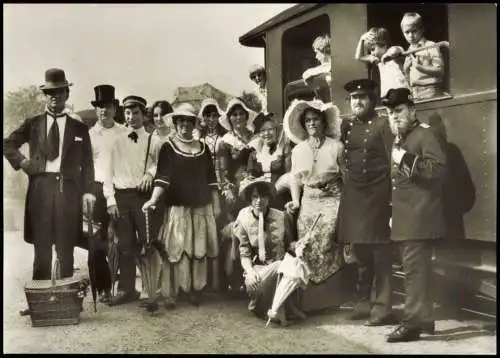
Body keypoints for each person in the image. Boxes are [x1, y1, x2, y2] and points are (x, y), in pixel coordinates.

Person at [3, 68, 96, 280]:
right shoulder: (33, 123)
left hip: (68, 192)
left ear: (67, 94)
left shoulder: (79, 128)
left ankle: (66, 299)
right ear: (45, 95)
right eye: (50, 93)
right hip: (41, 191)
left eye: (60, 92)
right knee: (42, 247)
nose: (55, 97)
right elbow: (7, 144)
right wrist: (23, 162)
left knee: (65, 247)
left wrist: (88, 192)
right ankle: (40, 299)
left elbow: (88, 164)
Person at [382, 88, 447, 342]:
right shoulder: (401, 137)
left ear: (412, 110)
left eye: (398, 111)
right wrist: (393, 211)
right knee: (418, 271)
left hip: (420, 217)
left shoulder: (425, 134)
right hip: (406, 216)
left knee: (414, 272)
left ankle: (411, 325)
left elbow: (438, 171)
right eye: (390, 112)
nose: (394, 116)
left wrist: (406, 159)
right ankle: (426, 319)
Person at [142, 105, 220, 309]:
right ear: (175, 124)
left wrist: (216, 203)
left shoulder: (203, 148)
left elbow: (211, 179)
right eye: (180, 121)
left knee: (199, 249)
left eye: (188, 120)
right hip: (178, 208)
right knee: (177, 248)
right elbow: (162, 177)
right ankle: (173, 291)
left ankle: (196, 288)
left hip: (201, 208)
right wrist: (153, 199)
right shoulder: (168, 147)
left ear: (194, 123)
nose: (185, 124)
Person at [337, 79, 396, 326]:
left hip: (376, 196)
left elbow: (393, 161)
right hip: (355, 196)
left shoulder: (383, 125)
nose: (357, 101)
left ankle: (382, 309)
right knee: (361, 256)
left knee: (381, 256)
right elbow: (344, 159)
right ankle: (362, 304)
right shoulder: (347, 126)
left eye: (362, 97)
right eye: (353, 98)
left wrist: (391, 199)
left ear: (372, 100)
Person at [283, 99, 349, 312]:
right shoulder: (298, 150)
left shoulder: (336, 146)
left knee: (327, 241)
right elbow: (294, 178)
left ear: (324, 122)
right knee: (307, 244)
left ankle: (331, 300)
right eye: (308, 120)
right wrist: (295, 200)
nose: (312, 123)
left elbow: (346, 177)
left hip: (332, 200)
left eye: (316, 119)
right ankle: (311, 302)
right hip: (308, 202)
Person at [103, 95, 157, 306]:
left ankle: (149, 289)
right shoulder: (116, 140)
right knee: (124, 244)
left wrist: (150, 174)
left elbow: (159, 163)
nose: (132, 117)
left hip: (143, 197)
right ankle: (126, 289)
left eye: (136, 113)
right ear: (123, 114)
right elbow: (107, 173)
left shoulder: (152, 139)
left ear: (143, 115)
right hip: (122, 197)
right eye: (127, 113)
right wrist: (110, 200)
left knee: (147, 242)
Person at [234, 176, 304, 325]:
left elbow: (289, 245)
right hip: (258, 273)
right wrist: (251, 272)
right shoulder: (243, 219)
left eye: (263, 196)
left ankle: (283, 309)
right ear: (249, 199)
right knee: (279, 267)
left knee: (289, 265)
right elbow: (244, 252)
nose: (259, 200)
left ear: (269, 197)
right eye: (255, 196)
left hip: (281, 271)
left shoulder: (280, 217)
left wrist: (298, 246)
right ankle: (265, 307)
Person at [88, 84, 126, 303]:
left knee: (123, 241)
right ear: (96, 109)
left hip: (120, 190)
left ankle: (123, 287)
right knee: (96, 242)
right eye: (100, 106)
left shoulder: (124, 132)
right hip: (96, 190)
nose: (104, 110)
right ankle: (101, 287)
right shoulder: (90, 134)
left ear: (114, 108)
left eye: (108, 106)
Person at [217, 97, 258, 295]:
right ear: (229, 118)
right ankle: (233, 280)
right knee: (236, 235)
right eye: (234, 114)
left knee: (254, 233)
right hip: (235, 192)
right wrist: (228, 188)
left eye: (241, 113)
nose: (238, 117)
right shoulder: (225, 142)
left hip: (254, 190)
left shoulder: (254, 137)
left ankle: (253, 278)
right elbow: (223, 170)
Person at [383, 12, 445, 100]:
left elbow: (440, 71)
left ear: (422, 29)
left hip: (431, 91)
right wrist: (405, 69)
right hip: (415, 92)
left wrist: (419, 67)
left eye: (414, 31)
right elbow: (410, 77)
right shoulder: (408, 50)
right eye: (407, 32)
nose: (411, 36)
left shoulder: (431, 46)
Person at [247, 112, 292, 209]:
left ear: (276, 130)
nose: (266, 133)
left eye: (270, 129)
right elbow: (250, 175)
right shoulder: (255, 151)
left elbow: (289, 176)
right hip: (259, 199)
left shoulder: (284, 149)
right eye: (263, 130)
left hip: (280, 196)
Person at [354, 27, 409, 98]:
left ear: (384, 45)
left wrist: (386, 55)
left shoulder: (393, 51)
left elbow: (395, 51)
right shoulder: (377, 60)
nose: (371, 53)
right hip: (387, 94)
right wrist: (361, 39)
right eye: (370, 50)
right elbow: (358, 57)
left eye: (373, 49)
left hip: (401, 91)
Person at [302, 34, 333, 103]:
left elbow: (306, 74)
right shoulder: (324, 69)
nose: (316, 57)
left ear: (323, 51)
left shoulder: (332, 66)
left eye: (317, 53)